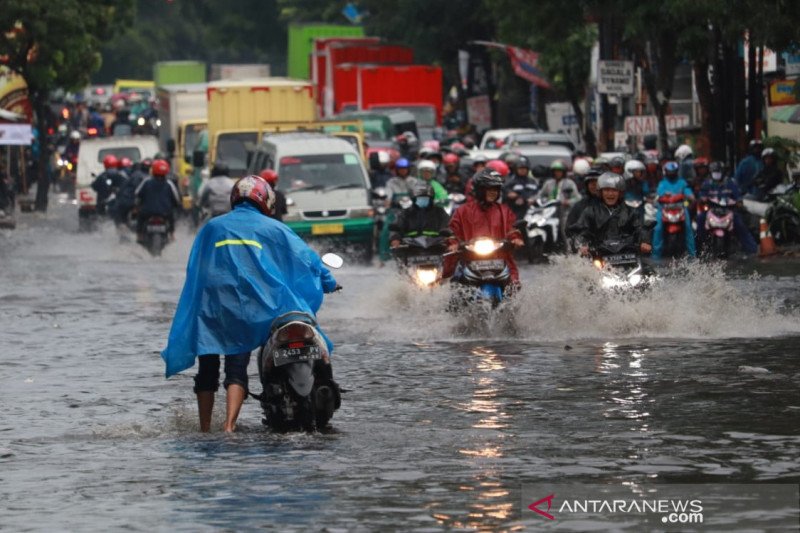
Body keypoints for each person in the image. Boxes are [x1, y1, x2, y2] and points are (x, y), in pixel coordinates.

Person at [160, 175, 339, 433]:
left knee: (207, 368)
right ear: (265, 200)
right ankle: (229, 427)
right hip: (249, 308)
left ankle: (204, 428)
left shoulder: (212, 227)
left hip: (211, 306)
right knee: (236, 366)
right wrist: (328, 281)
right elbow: (306, 259)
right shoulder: (273, 228)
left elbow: (196, 268)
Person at [448, 169, 525, 284]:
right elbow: (453, 232)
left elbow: (511, 228)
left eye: (496, 189)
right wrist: (453, 244)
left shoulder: (504, 210)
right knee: (457, 285)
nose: (493, 192)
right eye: (489, 189)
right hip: (470, 259)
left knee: (513, 286)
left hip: (499, 259)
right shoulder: (462, 211)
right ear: (479, 190)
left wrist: (516, 238)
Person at [573, 173, 652, 256]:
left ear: (620, 192)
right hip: (598, 256)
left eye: (614, 190)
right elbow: (581, 231)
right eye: (606, 190)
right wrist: (582, 245)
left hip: (628, 255)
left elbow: (639, 229)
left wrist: (645, 241)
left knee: (649, 268)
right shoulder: (590, 211)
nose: (610, 194)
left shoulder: (631, 212)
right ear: (601, 192)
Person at [695, 161, 758, 255]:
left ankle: (752, 250)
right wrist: (702, 199)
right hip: (711, 211)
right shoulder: (707, 183)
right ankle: (698, 251)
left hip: (728, 211)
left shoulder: (730, 183)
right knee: (700, 220)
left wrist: (739, 203)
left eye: (718, 171)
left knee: (740, 225)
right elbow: (702, 195)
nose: (716, 173)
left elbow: (738, 196)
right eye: (714, 171)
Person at [652, 161, 696, 259]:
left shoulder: (682, 182)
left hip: (680, 208)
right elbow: (658, 196)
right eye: (669, 171)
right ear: (666, 172)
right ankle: (655, 256)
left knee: (688, 228)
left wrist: (690, 198)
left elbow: (690, 195)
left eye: (673, 171)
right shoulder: (662, 183)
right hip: (664, 209)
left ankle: (692, 256)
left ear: (677, 171)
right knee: (658, 228)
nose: (671, 174)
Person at [135, 159, 181, 242]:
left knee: (140, 218)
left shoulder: (146, 181)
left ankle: (139, 235)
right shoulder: (169, 183)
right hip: (165, 212)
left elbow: (137, 193)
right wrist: (176, 206)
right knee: (171, 218)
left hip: (147, 212)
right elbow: (176, 198)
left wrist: (138, 204)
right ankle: (171, 234)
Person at [566, 169, 601, 242]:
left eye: (596, 183)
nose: (594, 186)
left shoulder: (611, 204)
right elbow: (569, 229)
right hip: (584, 245)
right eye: (591, 183)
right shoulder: (579, 205)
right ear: (587, 186)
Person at [503, 155, 540, 221]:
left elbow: (538, 194)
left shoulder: (532, 182)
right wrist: (517, 196)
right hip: (515, 212)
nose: (523, 170)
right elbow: (507, 194)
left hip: (531, 213)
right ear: (516, 169)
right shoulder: (510, 181)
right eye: (520, 168)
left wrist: (533, 199)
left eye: (524, 168)